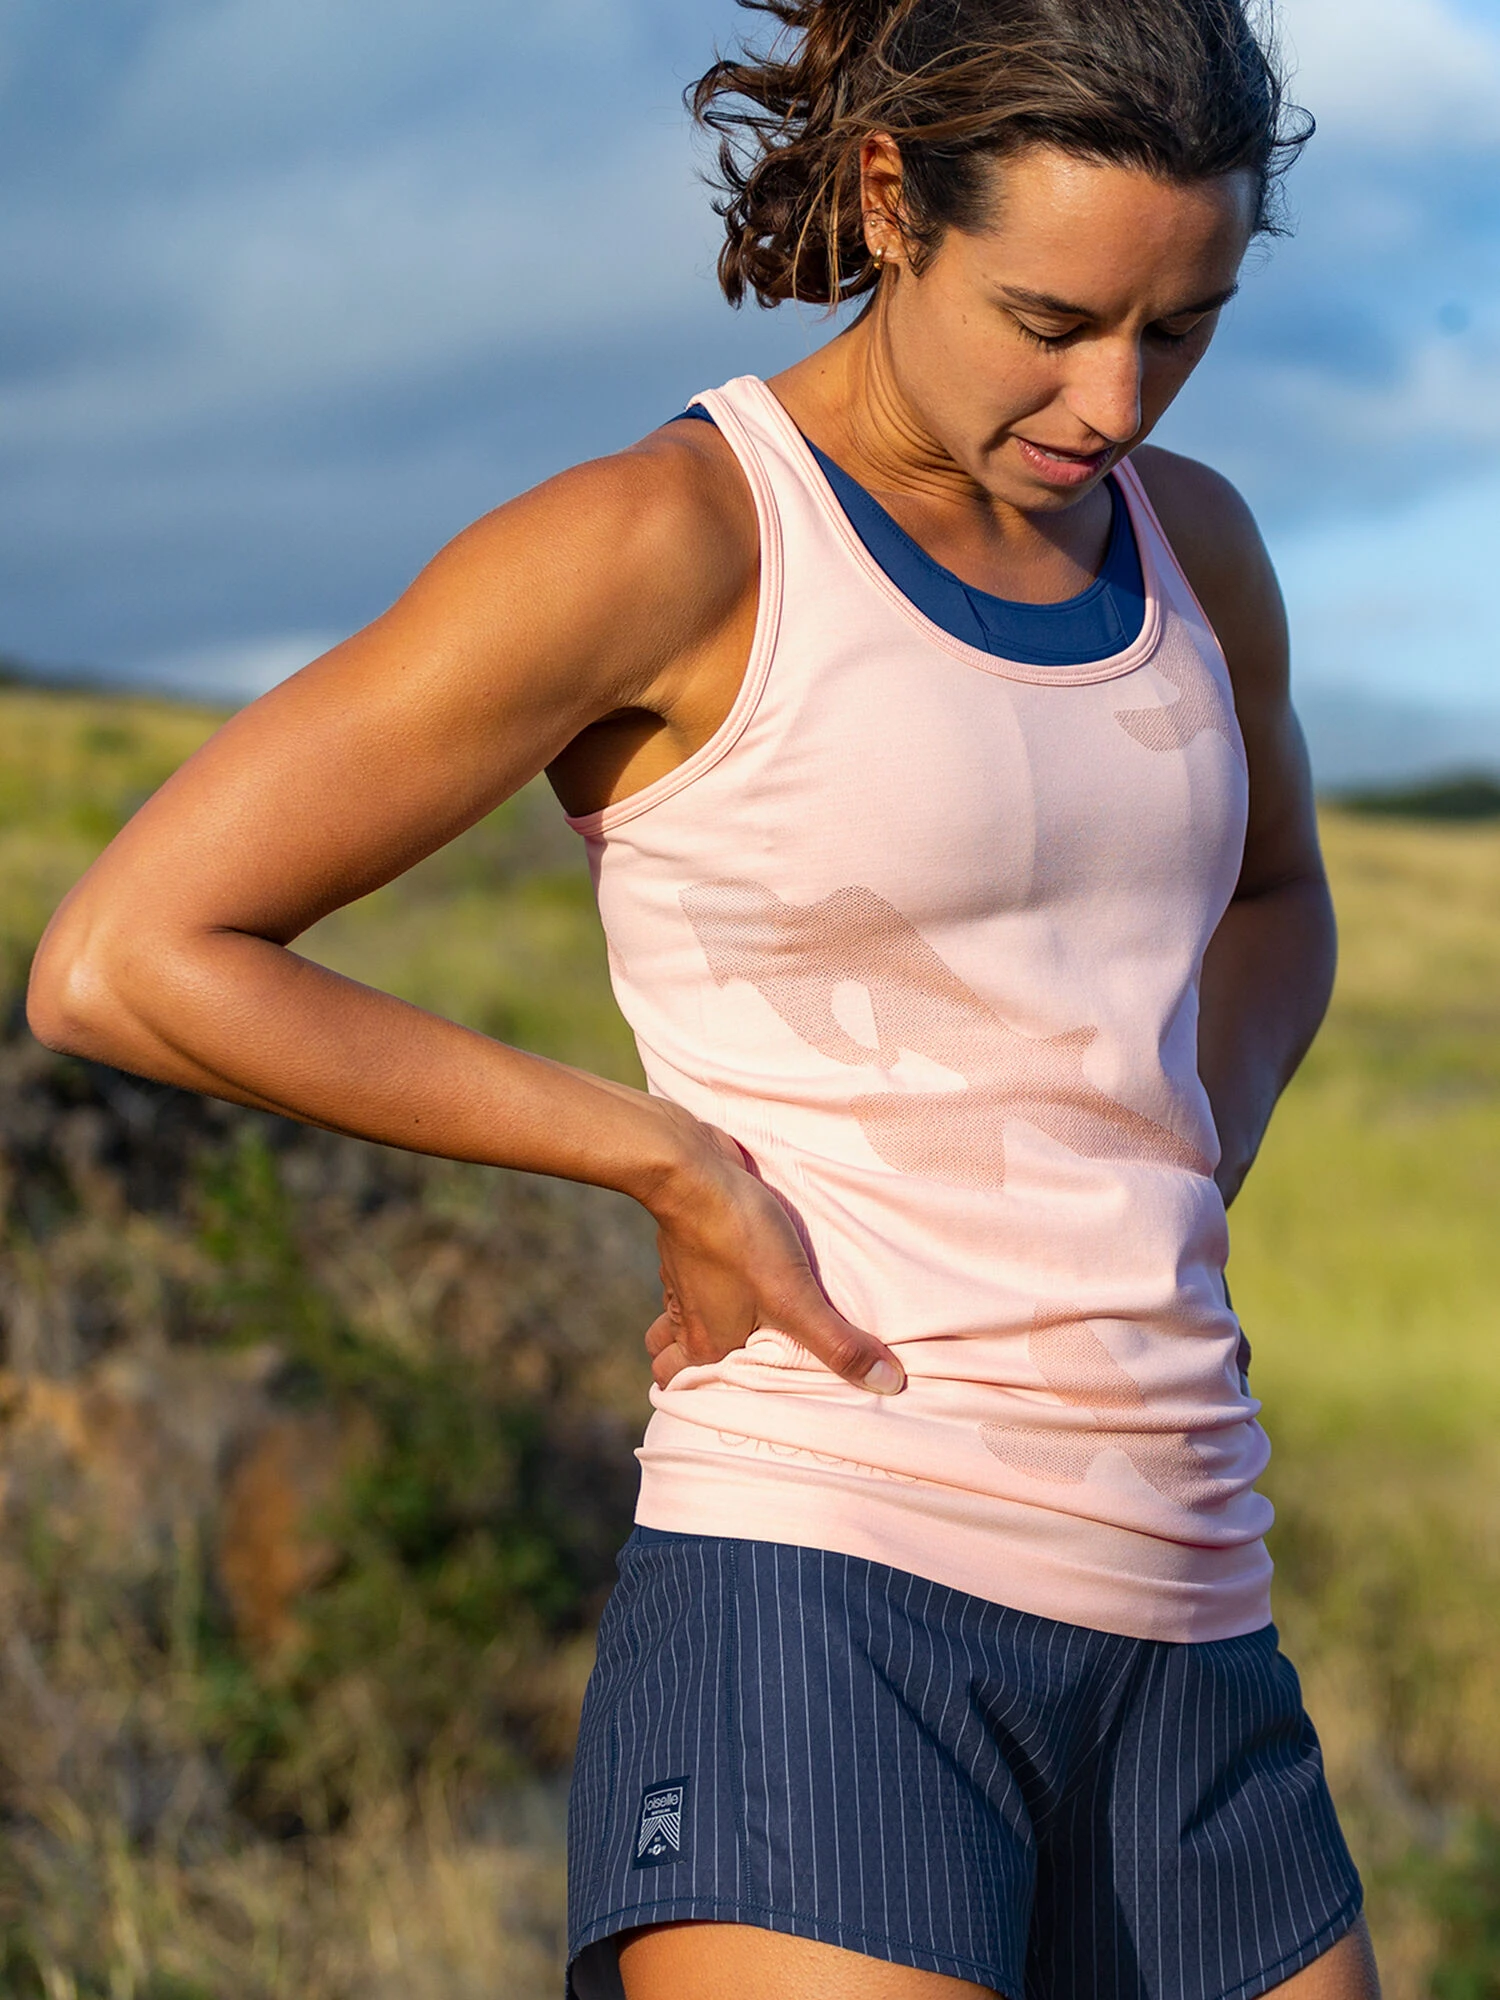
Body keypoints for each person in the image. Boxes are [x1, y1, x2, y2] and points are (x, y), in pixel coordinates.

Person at [27, 0, 1380, 1994]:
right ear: (895, 200)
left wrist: (1196, 1137)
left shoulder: (1197, 549)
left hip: (1195, 1605)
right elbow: (129, 958)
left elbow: (1277, 895)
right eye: (1052, 319)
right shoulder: (676, 540)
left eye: (1177, 329)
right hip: (829, 1595)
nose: (1115, 400)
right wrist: (659, 1162)